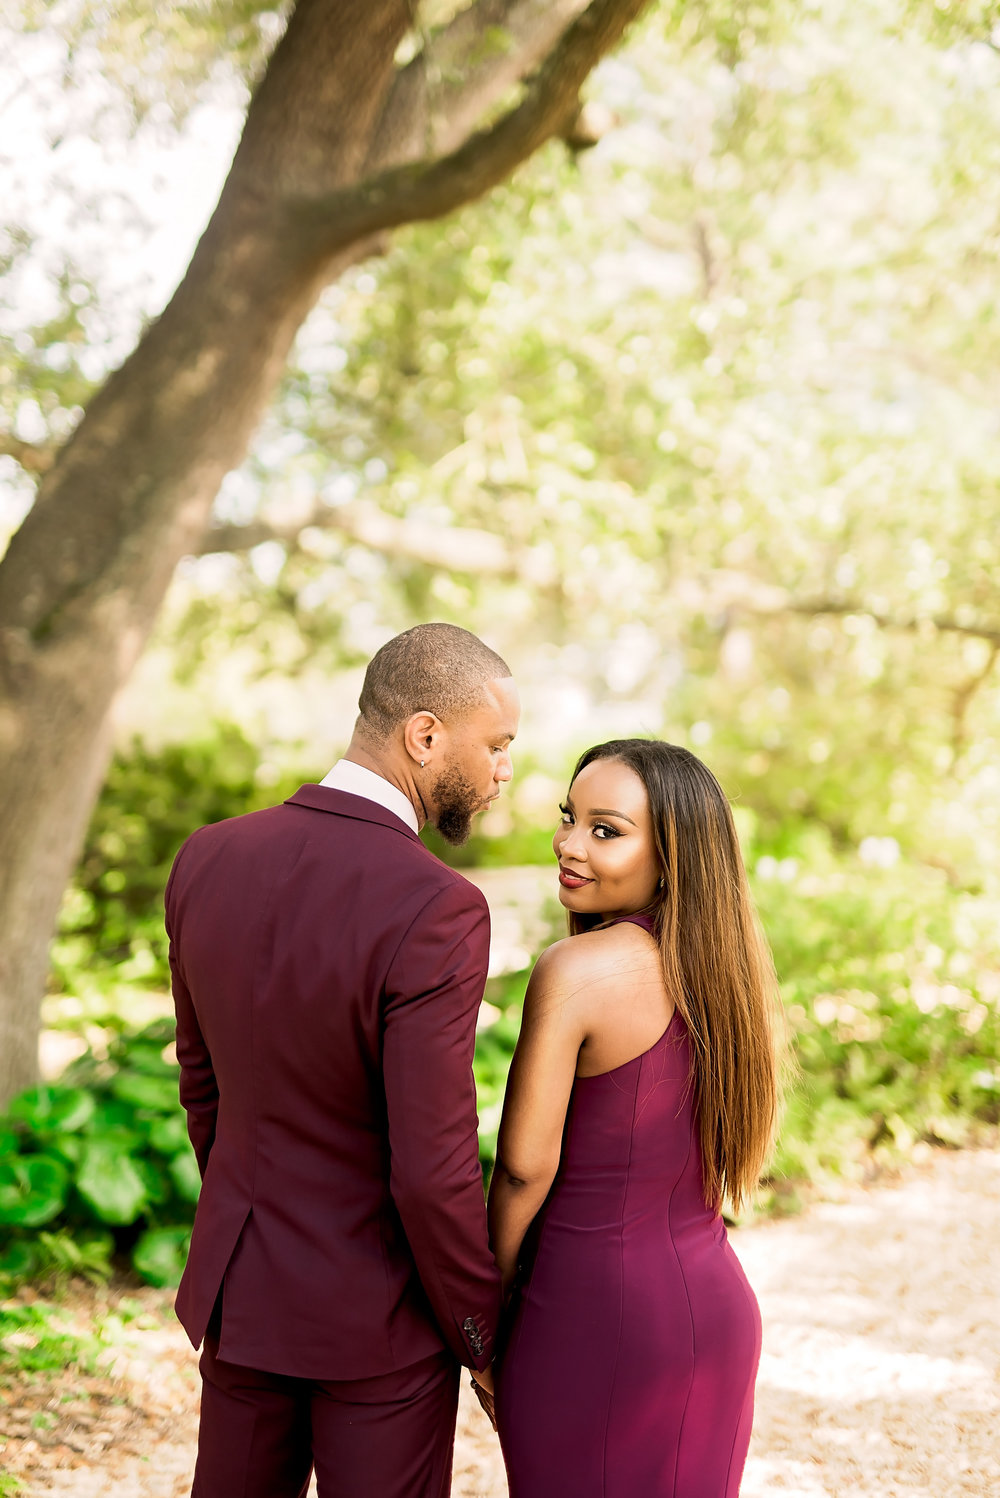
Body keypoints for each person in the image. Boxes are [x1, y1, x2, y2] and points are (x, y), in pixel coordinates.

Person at [165, 622, 519, 1498]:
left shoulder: (207, 858)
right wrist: (485, 1338)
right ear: (426, 734)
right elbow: (432, 1172)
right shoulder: (437, 906)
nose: (505, 771)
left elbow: (202, 1093)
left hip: (243, 1297)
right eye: (498, 744)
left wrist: (257, 1228)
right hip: (379, 1325)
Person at [487, 738, 782, 1498]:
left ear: (673, 855)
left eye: (606, 830)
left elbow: (524, 1166)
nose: (568, 844)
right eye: (569, 818)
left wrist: (484, 1310)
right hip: (712, 1311)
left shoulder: (577, 972)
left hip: (588, 1318)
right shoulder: (725, 972)